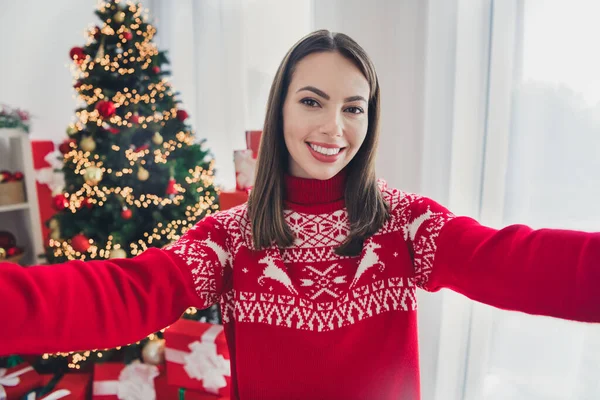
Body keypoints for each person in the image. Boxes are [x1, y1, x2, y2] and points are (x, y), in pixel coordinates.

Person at [1, 29, 599, 400]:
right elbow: (125, 295)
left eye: (353, 108)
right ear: (281, 107)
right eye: (312, 101)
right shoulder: (231, 239)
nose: (333, 128)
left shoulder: (407, 227)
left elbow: (522, 261)